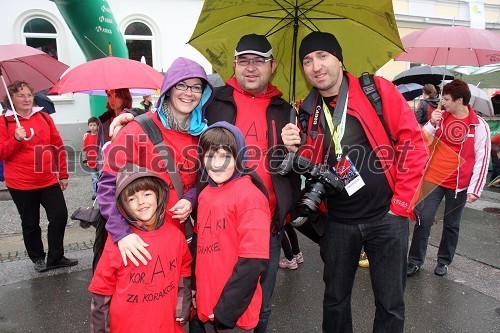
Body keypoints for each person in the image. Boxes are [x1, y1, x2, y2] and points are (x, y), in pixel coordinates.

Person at [108, 34, 299, 333]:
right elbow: (173, 112)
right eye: (244, 61)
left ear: (272, 66)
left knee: (259, 305)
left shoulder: (285, 110)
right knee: (192, 302)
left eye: (259, 61)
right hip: (203, 229)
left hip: (265, 225)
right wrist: (130, 116)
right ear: (233, 65)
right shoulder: (215, 102)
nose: (251, 68)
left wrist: (295, 145)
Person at [281, 31, 428, 332]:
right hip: (337, 222)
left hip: (386, 218)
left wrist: (400, 205)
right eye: (307, 60)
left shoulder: (376, 90)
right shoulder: (307, 110)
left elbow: (414, 146)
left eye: (322, 56)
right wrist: (296, 147)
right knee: (335, 300)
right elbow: (316, 163)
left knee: (390, 303)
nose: (315, 66)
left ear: (339, 59)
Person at [97, 57, 214, 265]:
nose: (189, 93)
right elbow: (107, 185)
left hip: (180, 239)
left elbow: (202, 179)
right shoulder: (137, 129)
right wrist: (121, 233)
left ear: (203, 94)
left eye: (196, 87)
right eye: (182, 84)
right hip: (141, 239)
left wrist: (190, 198)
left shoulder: (202, 134)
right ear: (168, 88)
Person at [89, 164, 192, 332]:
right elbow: (101, 290)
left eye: (147, 194)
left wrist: (183, 303)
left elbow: (184, 269)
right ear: (123, 205)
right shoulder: (119, 244)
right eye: (131, 198)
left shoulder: (176, 236)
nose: (141, 201)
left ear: (159, 195)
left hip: (166, 325)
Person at [407, 79, 491, 278]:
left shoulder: (479, 126)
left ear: (460, 100)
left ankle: (444, 261)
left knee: (452, 225)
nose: (442, 103)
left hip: (459, 185)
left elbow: (483, 158)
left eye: (446, 99)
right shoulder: (440, 117)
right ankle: (414, 261)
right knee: (423, 220)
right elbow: (421, 141)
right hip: (434, 178)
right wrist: (431, 123)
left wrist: (475, 188)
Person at [196, 122, 271, 332]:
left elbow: (253, 262)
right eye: (210, 156)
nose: (217, 164)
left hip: (234, 314)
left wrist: (226, 310)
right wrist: (196, 290)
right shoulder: (204, 195)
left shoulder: (250, 197)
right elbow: (201, 249)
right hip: (208, 304)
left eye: (225, 156)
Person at [0, 80, 78, 272]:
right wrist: (15, 139)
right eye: (20, 95)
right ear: (11, 99)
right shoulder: (4, 122)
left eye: (29, 95)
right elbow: (1, 153)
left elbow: (57, 146)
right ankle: (38, 258)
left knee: (59, 216)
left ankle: (56, 257)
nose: (26, 99)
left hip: (48, 179)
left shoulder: (43, 117)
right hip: (21, 183)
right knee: (30, 222)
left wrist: (63, 173)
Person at [82, 116, 99, 200]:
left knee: (101, 178)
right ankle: (96, 193)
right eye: (91, 125)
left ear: (98, 126)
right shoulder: (87, 136)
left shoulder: (100, 136)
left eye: (94, 125)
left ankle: (102, 192)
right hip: (91, 161)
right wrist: (85, 161)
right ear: (88, 126)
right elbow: (84, 149)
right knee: (94, 178)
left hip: (99, 161)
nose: (92, 127)